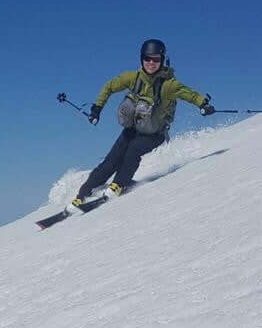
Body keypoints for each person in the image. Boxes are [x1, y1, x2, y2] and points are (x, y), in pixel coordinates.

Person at [69, 39, 214, 211]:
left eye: (156, 59)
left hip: (155, 134)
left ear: (162, 60)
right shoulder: (133, 78)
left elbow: (189, 94)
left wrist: (203, 104)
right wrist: (97, 108)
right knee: (110, 161)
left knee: (132, 152)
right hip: (133, 129)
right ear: (141, 59)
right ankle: (83, 194)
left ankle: (118, 185)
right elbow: (109, 86)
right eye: (147, 58)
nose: (151, 63)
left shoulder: (168, 85)